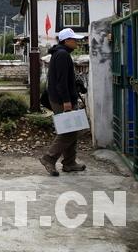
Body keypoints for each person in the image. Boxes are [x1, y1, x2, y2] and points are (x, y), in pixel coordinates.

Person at [39, 28, 87, 176]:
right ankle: (49, 157)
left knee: (71, 128)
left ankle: (69, 162)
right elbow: (61, 82)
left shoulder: (61, 54)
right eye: (74, 40)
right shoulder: (62, 55)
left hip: (62, 98)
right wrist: (67, 101)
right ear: (66, 41)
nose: (77, 42)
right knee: (70, 130)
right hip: (61, 100)